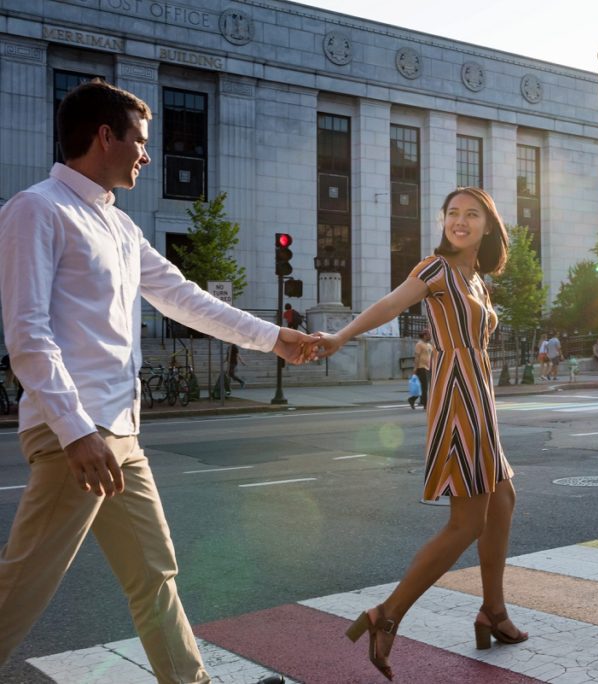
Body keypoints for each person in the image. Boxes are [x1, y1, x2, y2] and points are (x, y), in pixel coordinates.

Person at [0, 80, 312, 684]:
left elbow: (185, 300)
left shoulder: (120, 228)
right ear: (104, 136)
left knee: (154, 573)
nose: (146, 155)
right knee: (21, 589)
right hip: (77, 441)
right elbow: (29, 336)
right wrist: (73, 432)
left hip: (121, 435)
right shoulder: (37, 209)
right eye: (139, 141)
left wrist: (275, 337)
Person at [315, 187, 527, 680]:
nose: (460, 221)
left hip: (480, 398)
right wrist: (340, 336)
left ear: (488, 226)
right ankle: (386, 615)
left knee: (503, 499)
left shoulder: (477, 279)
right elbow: (391, 305)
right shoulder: (435, 269)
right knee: (466, 522)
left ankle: (492, 611)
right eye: (452, 213)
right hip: (457, 397)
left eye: (471, 214)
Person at [414, 329, 433, 409]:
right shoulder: (419, 344)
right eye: (428, 335)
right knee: (424, 387)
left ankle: (417, 400)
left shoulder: (429, 345)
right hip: (422, 367)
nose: (430, 336)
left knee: (426, 386)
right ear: (424, 335)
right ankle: (425, 404)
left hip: (429, 367)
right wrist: (415, 368)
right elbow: (417, 356)